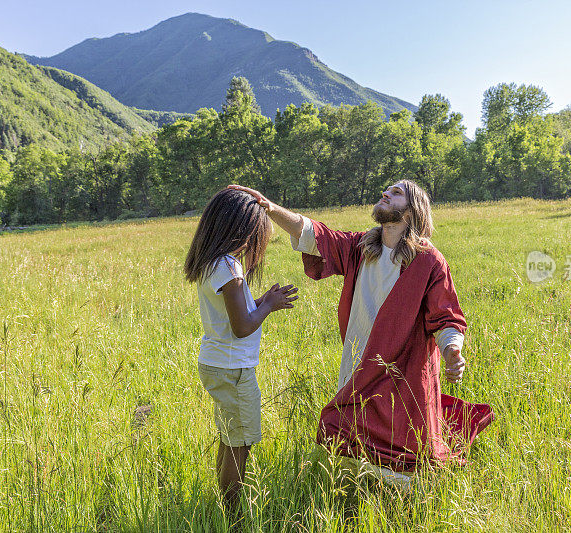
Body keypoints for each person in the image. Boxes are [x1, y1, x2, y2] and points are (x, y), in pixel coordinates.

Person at [229, 181, 493, 474]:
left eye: (395, 194)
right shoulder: (360, 248)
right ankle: (352, 493)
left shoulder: (428, 261)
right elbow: (314, 235)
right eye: (386, 190)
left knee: (404, 448)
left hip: (402, 370)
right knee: (347, 435)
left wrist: (452, 349)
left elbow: (446, 317)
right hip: (357, 362)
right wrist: (270, 207)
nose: (385, 194)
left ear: (411, 211)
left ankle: (400, 504)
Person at [184, 188, 298, 507]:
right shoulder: (229, 267)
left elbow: (237, 314)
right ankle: (233, 514)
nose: (256, 243)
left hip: (217, 363)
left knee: (229, 437)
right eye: (257, 234)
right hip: (234, 370)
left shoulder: (212, 263)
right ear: (243, 229)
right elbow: (243, 326)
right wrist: (270, 305)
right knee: (240, 443)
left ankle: (224, 504)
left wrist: (261, 301)